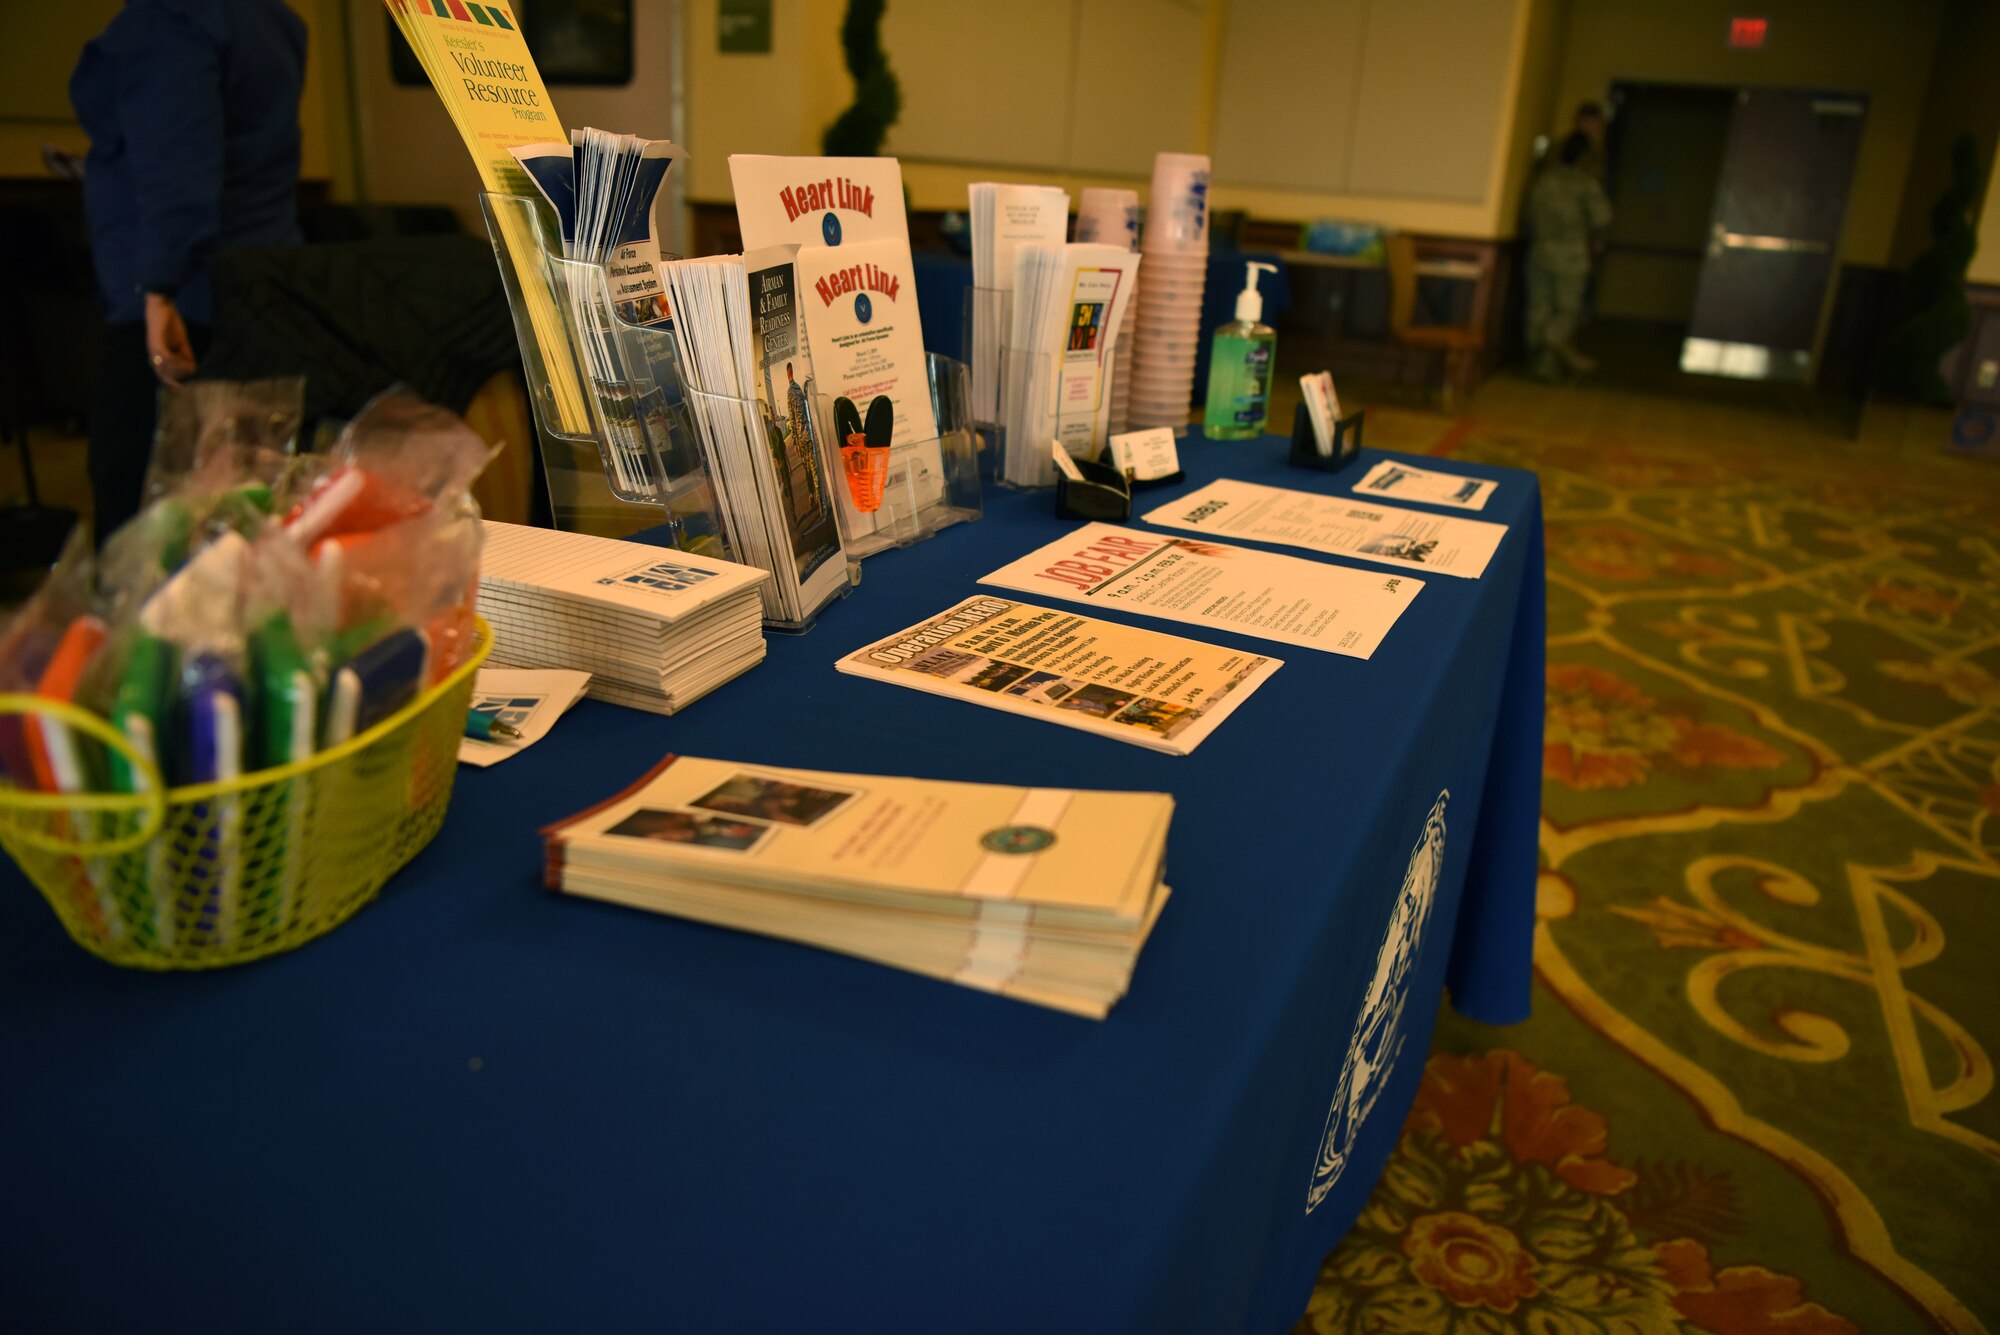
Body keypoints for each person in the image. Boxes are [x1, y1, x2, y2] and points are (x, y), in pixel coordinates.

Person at [70, 0, 307, 542]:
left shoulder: (172, 19)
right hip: (262, 286)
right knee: (241, 511)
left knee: (144, 519)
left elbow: (179, 168)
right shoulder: (273, 19)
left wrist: (158, 291)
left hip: (181, 307)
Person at [1524, 131, 1612, 382]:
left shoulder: (1543, 181)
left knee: (1539, 308)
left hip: (1539, 253)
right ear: (1584, 157)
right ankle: (1551, 353)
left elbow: (1528, 217)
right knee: (1566, 310)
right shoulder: (1585, 184)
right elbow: (1602, 219)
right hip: (1570, 256)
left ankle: (1542, 360)